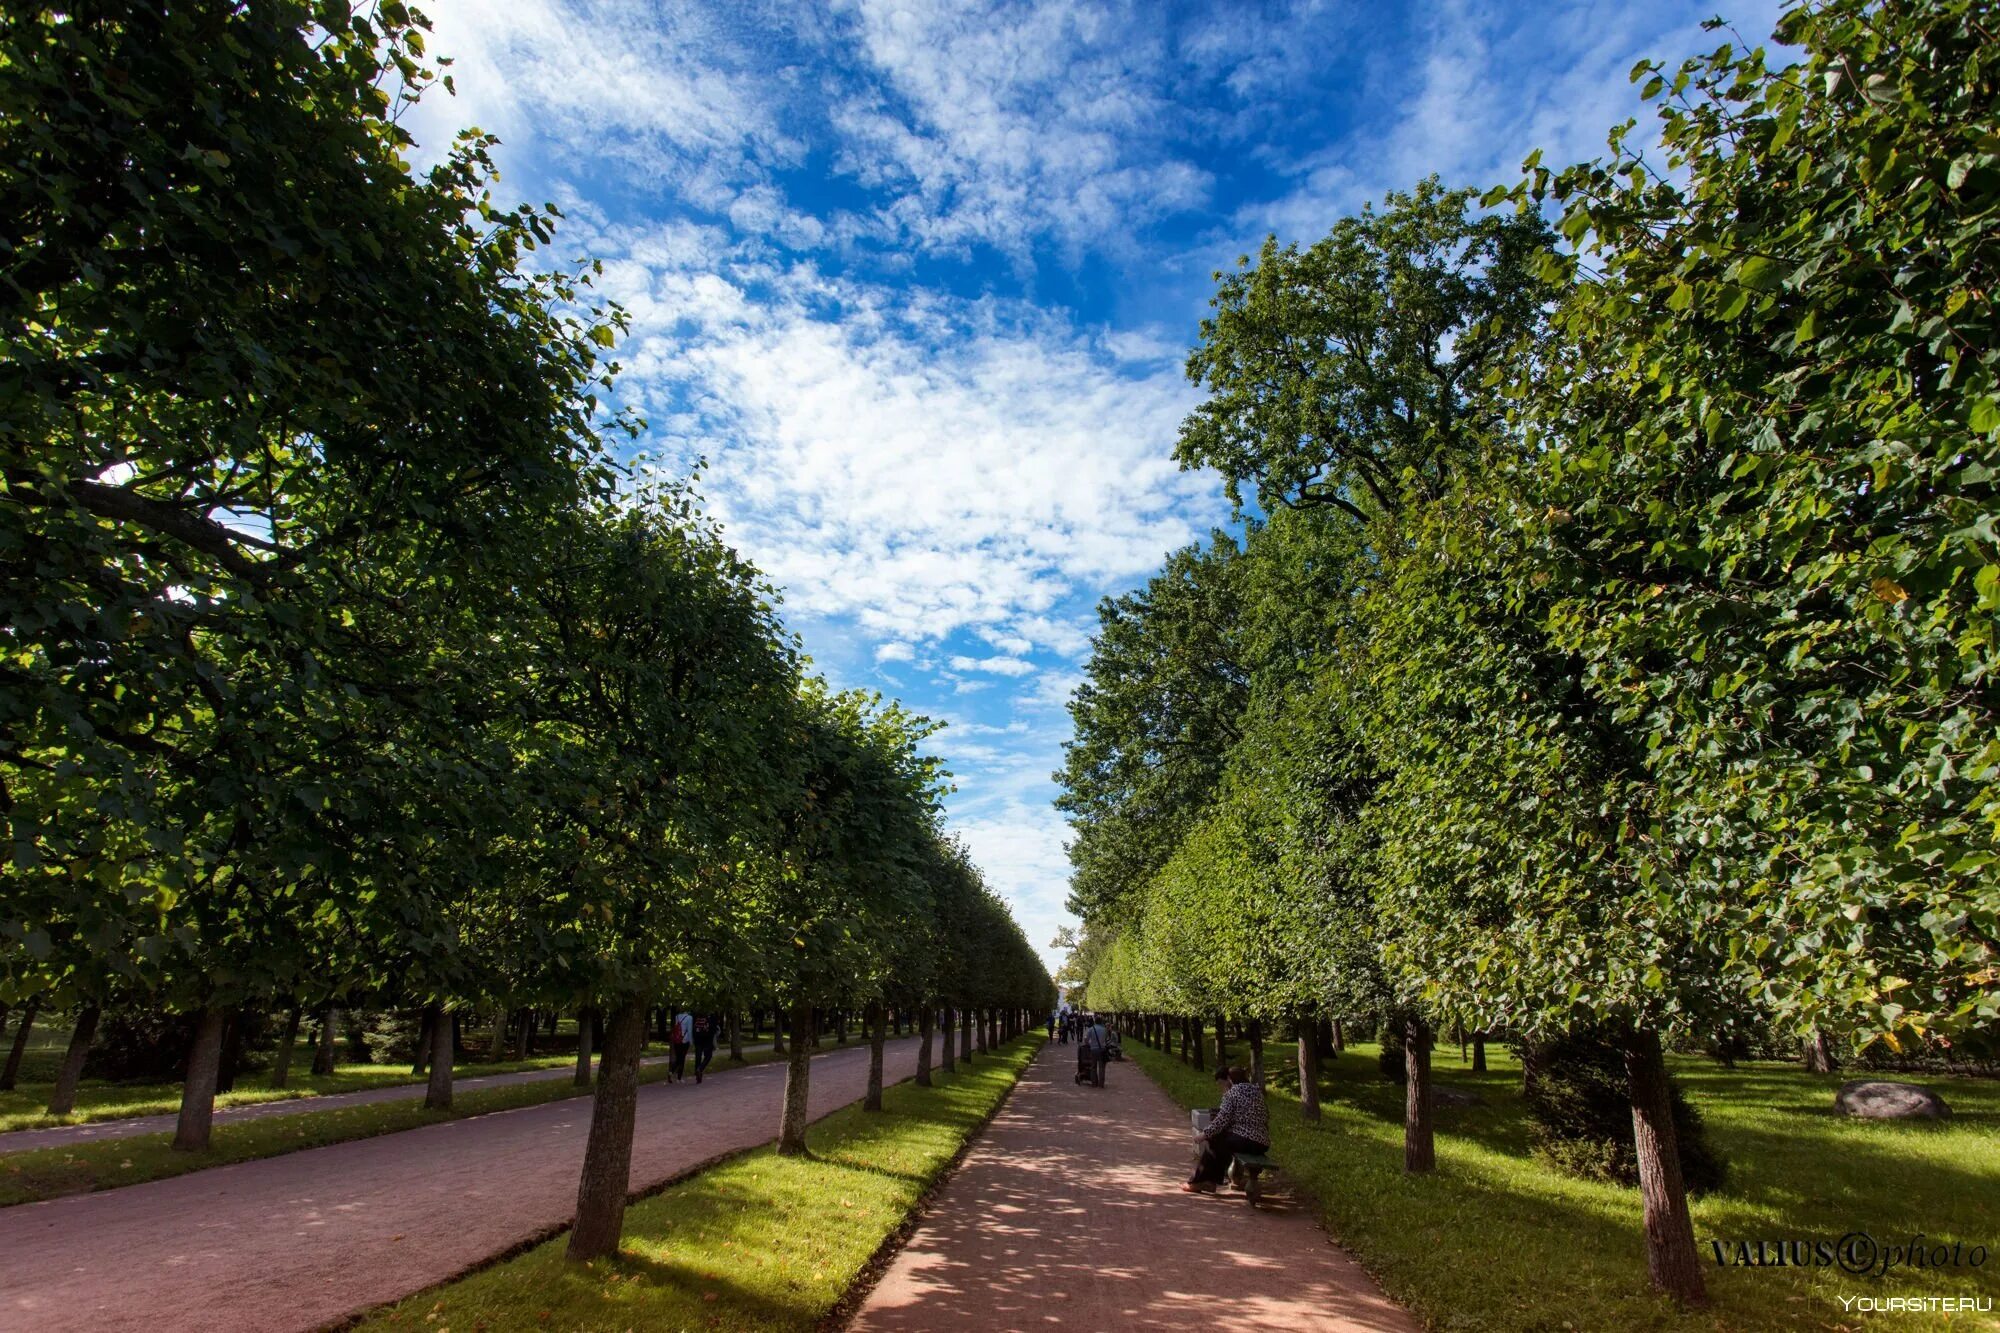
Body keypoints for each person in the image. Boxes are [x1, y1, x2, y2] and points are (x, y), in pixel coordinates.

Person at [1183, 1066, 1269, 1193]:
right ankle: (1209, 1181)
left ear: (1229, 1079)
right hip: (1262, 1143)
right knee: (1221, 1143)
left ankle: (1199, 1182)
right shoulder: (1257, 1092)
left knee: (1214, 1140)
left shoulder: (1233, 1093)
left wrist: (1203, 1135)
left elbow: (1221, 1121)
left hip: (1245, 1140)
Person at [1084, 1015, 1110, 1087]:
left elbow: (1086, 1039)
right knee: (1102, 1068)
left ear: (1095, 1021)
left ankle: (1094, 1083)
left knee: (1093, 1067)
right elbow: (1106, 1039)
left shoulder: (1091, 1029)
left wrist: (1089, 1044)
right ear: (1101, 1022)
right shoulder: (1104, 1029)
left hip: (1093, 1050)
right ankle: (1101, 1084)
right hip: (1102, 1050)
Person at [691, 1011, 717, 1083]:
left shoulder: (695, 1014)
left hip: (698, 1038)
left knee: (698, 1056)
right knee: (708, 1056)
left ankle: (697, 1074)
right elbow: (713, 1029)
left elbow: (693, 1027)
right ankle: (700, 1068)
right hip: (708, 1039)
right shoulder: (711, 1015)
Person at [669, 1007, 693, 1082]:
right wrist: (691, 1042)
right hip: (684, 1040)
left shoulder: (677, 1016)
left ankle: (671, 1072)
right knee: (682, 1059)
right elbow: (689, 1030)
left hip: (677, 1040)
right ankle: (678, 1077)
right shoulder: (689, 1017)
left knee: (679, 1058)